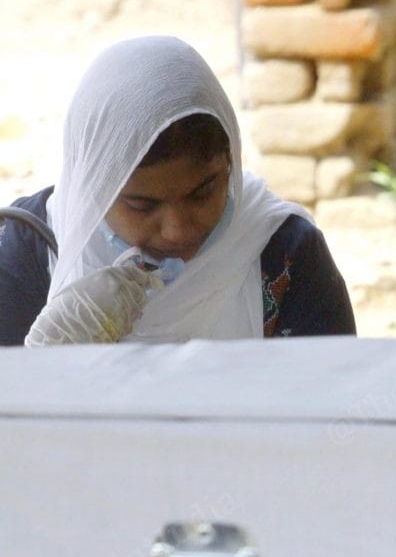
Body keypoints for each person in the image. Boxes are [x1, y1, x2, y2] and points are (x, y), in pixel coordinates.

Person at [0, 36, 355, 345]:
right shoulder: (28, 253)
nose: (178, 230)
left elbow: (334, 402)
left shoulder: (283, 256)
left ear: (230, 163)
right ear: (93, 184)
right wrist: (46, 359)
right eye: (141, 205)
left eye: (203, 193)